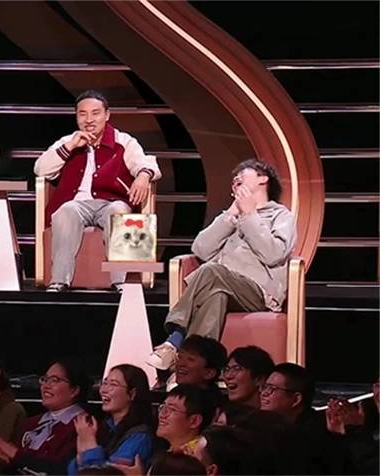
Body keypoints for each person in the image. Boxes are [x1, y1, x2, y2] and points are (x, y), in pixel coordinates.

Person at [148, 159, 296, 370]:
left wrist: (250, 214)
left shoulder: (280, 215)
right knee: (216, 296)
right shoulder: (232, 217)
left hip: (257, 292)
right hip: (222, 285)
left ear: (263, 179)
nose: (236, 178)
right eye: (234, 177)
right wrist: (230, 214)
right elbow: (200, 249)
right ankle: (193, 370)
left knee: (211, 271)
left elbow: (273, 254)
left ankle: (175, 340)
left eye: (242, 173)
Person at [34, 90, 161, 292]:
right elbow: (40, 169)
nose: (89, 120)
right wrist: (70, 146)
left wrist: (144, 175)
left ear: (107, 115)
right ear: (76, 117)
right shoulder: (68, 141)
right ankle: (59, 281)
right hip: (77, 204)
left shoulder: (123, 141)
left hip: (112, 202)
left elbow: (147, 163)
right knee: (65, 212)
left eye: (95, 113)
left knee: (118, 213)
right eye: (82, 114)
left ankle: (124, 283)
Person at [0, 357, 90, 475]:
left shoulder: (85, 425)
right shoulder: (31, 423)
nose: (46, 386)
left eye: (55, 380)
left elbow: (62, 470)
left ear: (74, 390)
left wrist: (16, 455)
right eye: (45, 379)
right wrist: (9, 462)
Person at [68, 364, 154, 474]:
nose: (103, 390)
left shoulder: (139, 436)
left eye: (113, 384)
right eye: (105, 383)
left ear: (132, 394)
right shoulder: (104, 428)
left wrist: (89, 443)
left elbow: (107, 474)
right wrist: (80, 456)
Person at [155, 385, 215, 457]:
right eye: (163, 407)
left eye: (172, 409)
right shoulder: (174, 453)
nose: (161, 414)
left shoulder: (199, 457)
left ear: (195, 421)